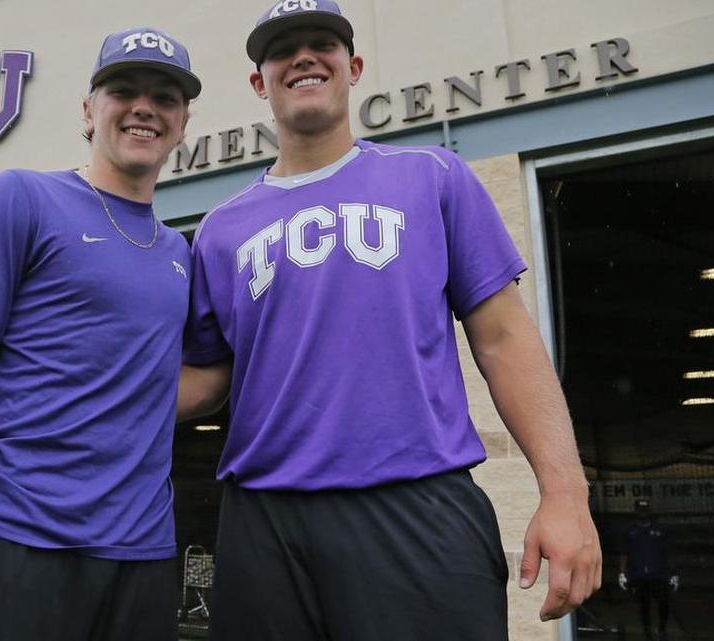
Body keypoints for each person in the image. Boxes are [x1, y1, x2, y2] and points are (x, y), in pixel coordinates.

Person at [178, 1, 602, 638]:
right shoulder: (218, 231)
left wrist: (565, 493)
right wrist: (81, 392)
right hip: (263, 523)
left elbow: (505, 339)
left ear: (352, 66)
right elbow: (209, 380)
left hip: (416, 508)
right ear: (259, 83)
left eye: (321, 42)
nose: (303, 56)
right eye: (281, 48)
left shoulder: (433, 179)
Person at [0, 27, 201, 641]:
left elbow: (170, 386)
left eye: (165, 96)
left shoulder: (180, 255)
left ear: (183, 121)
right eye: (123, 90)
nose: (144, 106)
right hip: (12, 539)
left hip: (141, 554)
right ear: (89, 111)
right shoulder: (21, 198)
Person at [619, 499, 678, 641]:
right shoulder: (629, 530)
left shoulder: (659, 530)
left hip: (659, 574)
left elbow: (668, 552)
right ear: (636, 511)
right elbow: (624, 553)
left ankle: (662, 629)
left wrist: (674, 573)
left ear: (649, 511)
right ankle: (647, 633)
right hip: (638, 575)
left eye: (645, 510)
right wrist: (622, 573)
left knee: (664, 603)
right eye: (640, 510)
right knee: (644, 606)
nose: (643, 513)